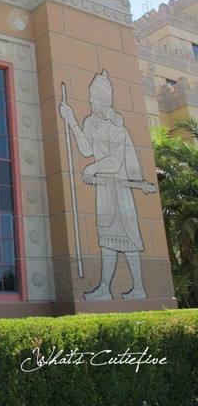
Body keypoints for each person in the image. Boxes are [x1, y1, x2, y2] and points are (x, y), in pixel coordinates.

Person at [59, 70, 147, 300]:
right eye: (90, 98)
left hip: (120, 191)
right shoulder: (90, 123)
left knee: (129, 239)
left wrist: (93, 168)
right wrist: (72, 122)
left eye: (94, 98)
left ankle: (139, 288)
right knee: (107, 240)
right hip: (104, 190)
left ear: (103, 101)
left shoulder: (117, 128)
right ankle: (105, 289)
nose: (91, 102)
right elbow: (86, 150)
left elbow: (115, 162)